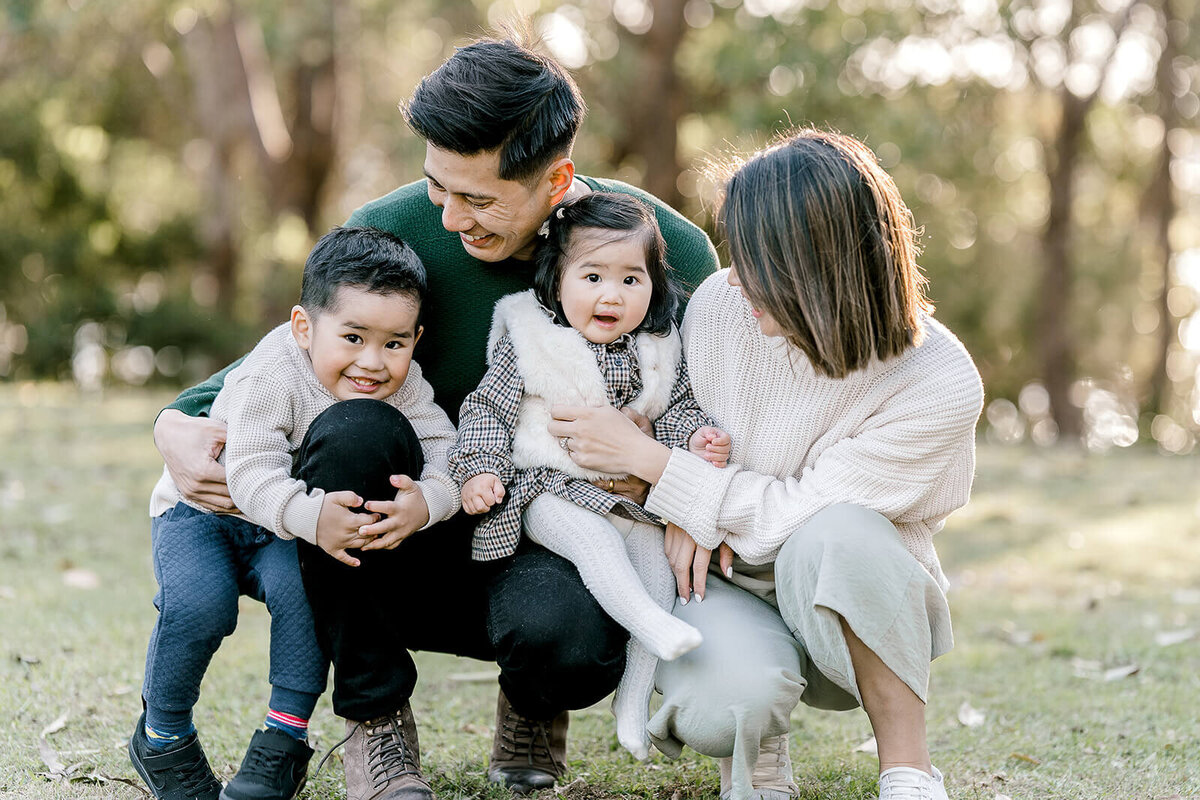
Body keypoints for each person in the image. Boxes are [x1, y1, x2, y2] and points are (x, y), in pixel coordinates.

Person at [148, 31, 718, 800]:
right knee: (354, 430)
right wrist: (178, 417)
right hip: (398, 525)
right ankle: (376, 726)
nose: (449, 218)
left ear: (558, 180)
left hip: (543, 523)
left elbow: (711, 403)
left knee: (571, 644)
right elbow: (305, 347)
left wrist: (681, 488)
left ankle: (533, 698)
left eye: (478, 199)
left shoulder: (663, 247)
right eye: (437, 188)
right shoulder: (393, 224)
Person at [544, 128, 985, 800]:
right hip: (717, 574)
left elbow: (799, 511)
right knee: (725, 706)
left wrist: (667, 476)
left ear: (819, 264)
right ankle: (758, 764)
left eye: (758, 259)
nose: (737, 275)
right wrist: (669, 473)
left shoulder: (939, 381)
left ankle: (908, 769)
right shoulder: (723, 306)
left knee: (839, 528)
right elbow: (679, 423)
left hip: (847, 599)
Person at [130, 226, 458, 800]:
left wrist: (427, 501)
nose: (373, 363)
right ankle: (162, 736)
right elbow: (250, 473)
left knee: (305, 597)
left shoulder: (405, 385)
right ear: (304, 327)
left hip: (286, 522)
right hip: (206, 513)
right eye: (352, 337)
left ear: (416, 339)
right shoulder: (271, 375)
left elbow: (447, 452)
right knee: (198, 607)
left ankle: (283, 742)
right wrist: (313, 519)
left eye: (395, 343)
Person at [450, 192, 731, 760]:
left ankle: (632, 705)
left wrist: (698, 441)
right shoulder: (531, 338)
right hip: (546, 488)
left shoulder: (659, 346)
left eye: (632, 279)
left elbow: (675, 411)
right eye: (593, 276)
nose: (612, 295)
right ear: (557, 280)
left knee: (657, 565)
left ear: (654, 286)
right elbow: (487, 410)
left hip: (629, 499)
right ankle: (650, 626)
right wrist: (479, 470)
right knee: (592, 539)